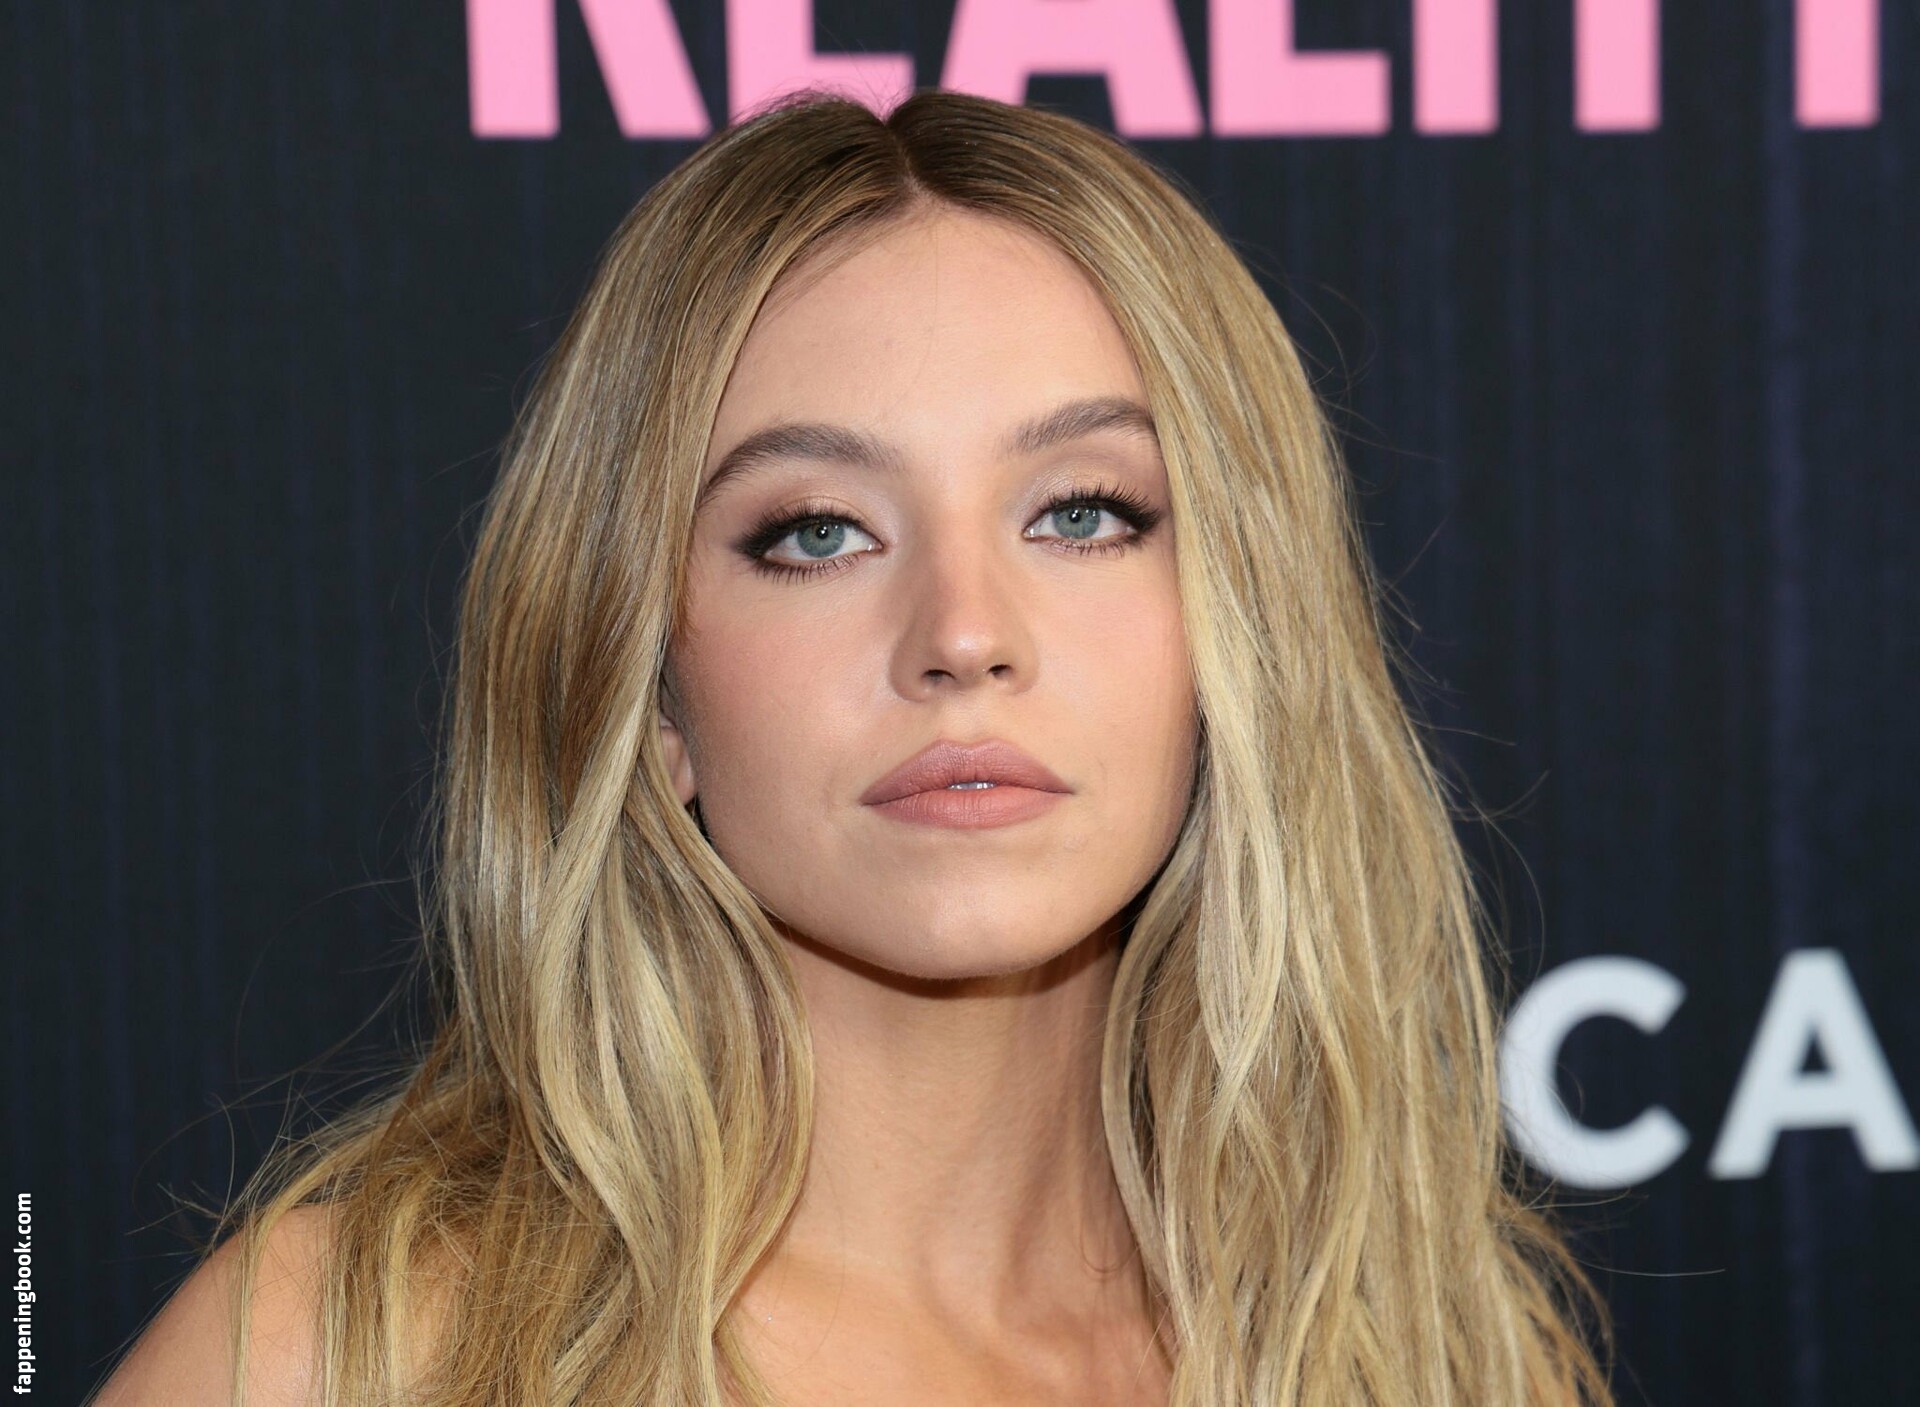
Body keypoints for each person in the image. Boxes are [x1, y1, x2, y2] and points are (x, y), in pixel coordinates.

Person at [93, 87, 1613, 1406]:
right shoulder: (349, 1355)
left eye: (1083, 512)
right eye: (817, 533)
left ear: (1240, 633)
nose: (964, 632)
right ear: (649, 690)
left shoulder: (1439, 1352)